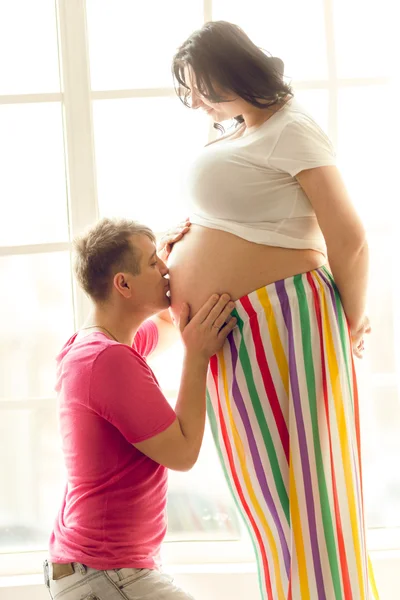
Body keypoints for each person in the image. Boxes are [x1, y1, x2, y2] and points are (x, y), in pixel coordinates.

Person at [167, 20, 380, 600]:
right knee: (268, 503)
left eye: (198, 86)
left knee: (312, 498)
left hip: (289, 325)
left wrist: (353, 317)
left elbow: (350, 236)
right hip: (242, 333)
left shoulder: (290, 126)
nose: (195, 101)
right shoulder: (245, 130)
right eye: (187, 90)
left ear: (229, 71)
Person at [43, 217, 236, 600]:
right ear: (123, 285)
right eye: (153, 264)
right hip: (103, 572)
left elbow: (168, 325)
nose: (165, 270)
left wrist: (164, 255)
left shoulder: (97, 346)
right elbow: (182, 453)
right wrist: (196, 357)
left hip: (96, 569)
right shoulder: (106, 360)